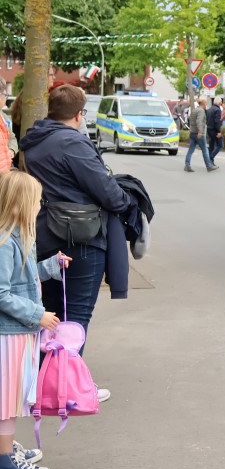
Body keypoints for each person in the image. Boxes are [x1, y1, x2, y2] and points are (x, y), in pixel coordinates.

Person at [21, 86, 132, 360]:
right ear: (79, 114)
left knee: (50, 316)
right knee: (75, 320)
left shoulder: (34, 140)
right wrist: (125, 200)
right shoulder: (72, 143)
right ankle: (65, 382)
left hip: (43, 233)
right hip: (81, 238)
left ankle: (44, 378)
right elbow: (108, 192)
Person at [0, 172, 66, 469]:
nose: (40, 205)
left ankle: (4, 449)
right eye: (37, 200)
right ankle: (3, 461)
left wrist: (51, 266)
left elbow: (22, 279)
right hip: (9, 334)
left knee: (10, 398)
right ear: (21, 203)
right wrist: (38, 314)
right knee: (8, 399)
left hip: (18, 332)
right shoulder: (5, 242)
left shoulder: (15, 237)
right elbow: (2, 293)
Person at [184, 97, 216, 172]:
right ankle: (209, 166)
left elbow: (191, 120)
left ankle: (187, 165)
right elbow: (199, 121)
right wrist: (200, 131)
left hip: (193, 132)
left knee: (191, 149)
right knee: (204, 149)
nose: (207, 103)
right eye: (206, 102)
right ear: (203, 103)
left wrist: (192, 129)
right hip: (199, 133)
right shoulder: (201, 111)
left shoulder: (194, 110)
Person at [206, 98, 224, 163]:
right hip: (215, 130)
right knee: (220, 145)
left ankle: (210, 162)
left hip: (209, 129)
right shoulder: (218, 110)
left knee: (211, 146)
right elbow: (217, 122)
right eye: (221, 102)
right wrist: (219, 131)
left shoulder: (209, 109)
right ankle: (210, 158)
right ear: (219, 102)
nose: (221, 103)